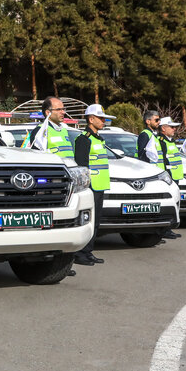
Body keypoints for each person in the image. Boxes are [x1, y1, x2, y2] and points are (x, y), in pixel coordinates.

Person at [72, 104, 113, 265]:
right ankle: (80, 253)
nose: (104, 121)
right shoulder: (84, 139)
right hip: (91, 186)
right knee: (88, 220)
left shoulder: (98, 139)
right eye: (101, 118)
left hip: (100, 185)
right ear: (91, 119)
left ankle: (88, 251)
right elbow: (82, 166)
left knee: (96, 221)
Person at [137, 110, 181, 239]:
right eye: (156, 120)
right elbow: (142, 156)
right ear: (148, 121)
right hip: (152, 176)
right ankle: (159, 232)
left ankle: (163, 230)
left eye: (159, 120)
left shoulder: (153, 135)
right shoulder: (145, 134)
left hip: (160, 175)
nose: (159, 122)